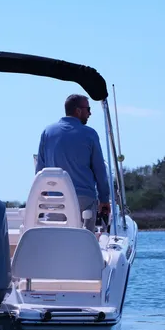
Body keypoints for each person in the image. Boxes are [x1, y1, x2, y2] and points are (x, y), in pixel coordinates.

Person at [36, 94, 111, 232]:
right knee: (83, 239)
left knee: (54, 237)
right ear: (78, 111)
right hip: (83, 199)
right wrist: (104, 199)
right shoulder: (89, 134)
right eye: (88, 109)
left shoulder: (47, 132)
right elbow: (99, 169)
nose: (90, 113)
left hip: (55, 199)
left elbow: (40, 170)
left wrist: (41, 199)